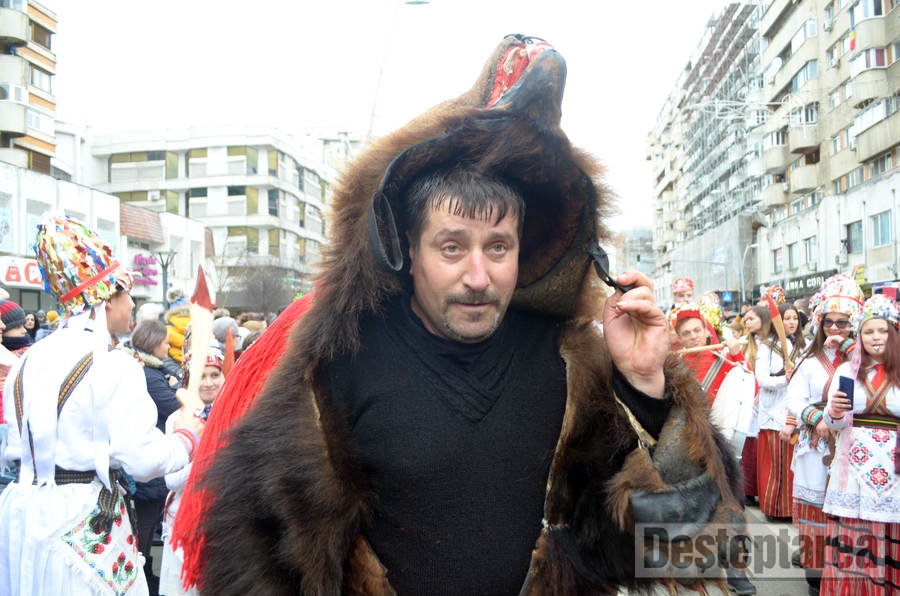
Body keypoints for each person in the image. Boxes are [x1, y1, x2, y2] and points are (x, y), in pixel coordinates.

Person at [181, 35, 745, 594]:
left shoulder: (575, 366)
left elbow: (678, 550)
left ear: (523, 252)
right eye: (452, 248)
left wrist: (646, 389)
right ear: (409, 250)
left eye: (498, 247)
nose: (478, 276)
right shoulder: (334, 376)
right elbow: (262, 568)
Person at [0, 213, 204, 596]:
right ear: (107, 300)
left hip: (21, 516)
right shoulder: (114, 365)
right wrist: (185, 439)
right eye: (127, 295)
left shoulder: (25, 362)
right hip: (79, 520)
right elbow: (143, 460)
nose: (132, 304)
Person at [784, 273, 863, 596]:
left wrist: (847, 347)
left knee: (847, 510)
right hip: (816, 444)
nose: (834, 328)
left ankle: (847, 572)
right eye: (828, 322)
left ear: (853, 325)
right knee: (814, 509)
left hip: (850, 443)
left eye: (842, 323)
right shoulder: (808, 359)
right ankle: (816, 575)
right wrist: (816, 419)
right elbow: (795, 397)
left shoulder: (864, 360)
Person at [671, 303, 756, 595]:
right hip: (688, 446)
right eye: (686, 333)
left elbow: (748, 390)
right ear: (679, 337)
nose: (693, 337)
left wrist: (736, 355)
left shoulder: (725, 358)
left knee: (732, 506)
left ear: (707, 331)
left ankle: (736, 570)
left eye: (697, 330)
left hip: (722, 446)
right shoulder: (673, 365)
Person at [821, 293, 900, 595]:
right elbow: (835, 423)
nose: (876, 337)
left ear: (894, 333)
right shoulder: (847, 372)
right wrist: (834, 412)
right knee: (857, 535)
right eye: (869, 331)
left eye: (882, 331)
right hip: (853, 468)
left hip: (894, 467)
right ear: (859, 336)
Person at [158, 340, 225, 596]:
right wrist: (207, 458)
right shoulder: (178, 420)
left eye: (214, 375)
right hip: (184, 521)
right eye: (201, 376)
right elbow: (171, 481)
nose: (208, 383)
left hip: (223, 522)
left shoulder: (236, 415)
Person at [123, 319, 184, 595]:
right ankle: (144, 575)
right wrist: (175, 388)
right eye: (164, 343)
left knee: (145, 525)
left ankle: (147, 572)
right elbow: (173, 406)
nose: (168, 347)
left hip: (151, 457)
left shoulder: (151, 370)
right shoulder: (150, 374)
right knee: (145, 525)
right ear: (152, 343)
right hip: (151, 459)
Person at [743, 304, 794, 519]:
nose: (791, 323)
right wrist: (786, 379)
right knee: (774, 463)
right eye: (786, 318)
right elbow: (762, 380)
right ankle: (774, 509)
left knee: (788, 464)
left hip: (791, 410)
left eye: (794, 318)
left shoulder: (792, 344)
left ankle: (789, 509)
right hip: (771, 412)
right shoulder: (765, 349)